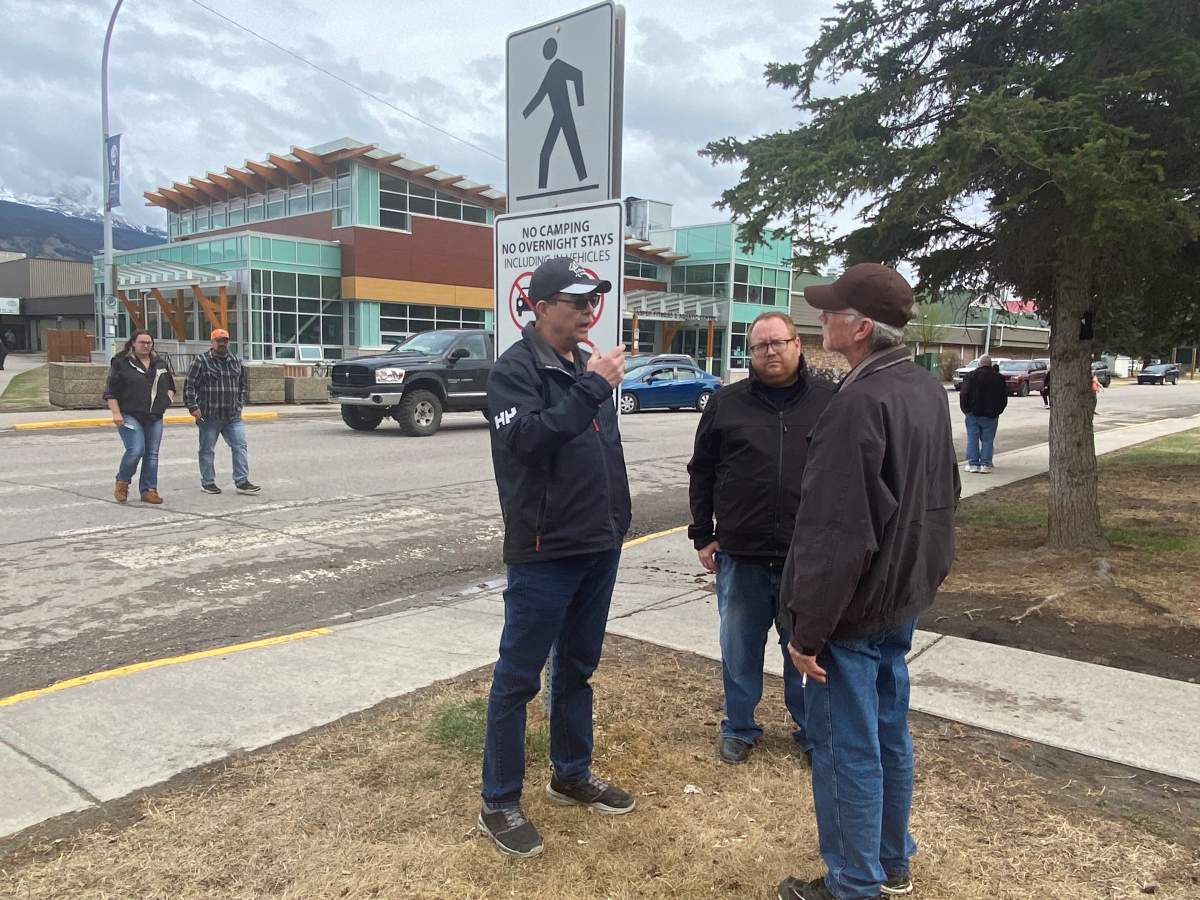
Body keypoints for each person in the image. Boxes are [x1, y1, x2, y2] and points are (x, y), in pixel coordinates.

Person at [774, 263, 960, 900]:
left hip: (854, 613)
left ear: (860, 328)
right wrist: (920, 585)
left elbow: (835, 534)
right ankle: (890, 858)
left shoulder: (858, 402)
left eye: (830, 312)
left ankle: (854, 880)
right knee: (886, 732)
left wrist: (807, 631)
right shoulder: (923, 389)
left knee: (846, 746)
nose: (820, 319)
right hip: (897, 599)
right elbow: (941, 504)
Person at [478, 257, 635, 859]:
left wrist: (617, 521)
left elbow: (605, 451)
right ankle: (499, 799)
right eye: (576, 302)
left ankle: (570, 773)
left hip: (598, 543)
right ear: (542, 309)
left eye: (592, 301)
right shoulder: (513, 372)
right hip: (545, 551)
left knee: (577, 667)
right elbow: (530, 441)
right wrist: (594, 385)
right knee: (518, 677)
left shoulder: (582, 366)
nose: (588, 310)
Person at [688, 311, 834, 765]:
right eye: (760, 346)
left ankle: (811, 730)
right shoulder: (726, 404)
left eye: (778, 342)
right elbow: (703, 470)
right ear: (749, 353)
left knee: (805, 652)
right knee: (739, 650)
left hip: (804, 558)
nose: (770, 352)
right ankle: (740, 726)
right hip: (742, 556)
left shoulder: (831, 401)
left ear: (798, 345)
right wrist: (702, 533)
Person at [103, 329, 175, 504]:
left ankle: (149, 490)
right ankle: (122, 482)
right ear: (133, 343)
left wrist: (166, 401)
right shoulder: (121, 363)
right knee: (136, 450)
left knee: (152, 454)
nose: (146, 345)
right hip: (129, 414)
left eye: (149, 342)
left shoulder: (160, 364)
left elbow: (171, 386)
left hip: (154, 416)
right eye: (142, 342)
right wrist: (116, 413)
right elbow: (110, 391)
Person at [185, 328, 260, 495]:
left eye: (225, 340)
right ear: (212, 343)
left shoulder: (234, 360)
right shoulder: (201, 361)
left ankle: (242, 481)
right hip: (209, 415)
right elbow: (189, 385)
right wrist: (193, 407)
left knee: (240, 446)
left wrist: (239, 404)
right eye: (219, 341)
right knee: (207, 449)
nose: (222, 344)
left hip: (232, 415)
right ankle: (208, 482)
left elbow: (242, 384)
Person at [959, 354, 1007, 474]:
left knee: (972, 438)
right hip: (991, 414)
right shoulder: (999, 378)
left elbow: (964, 394)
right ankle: (985, 464)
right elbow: (1003, 397)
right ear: (990, 364)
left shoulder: (970, 376)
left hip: (972, 413)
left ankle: (973, 464)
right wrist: (998, 410)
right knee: (988, 440)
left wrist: (966, 410)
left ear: (979, 364)